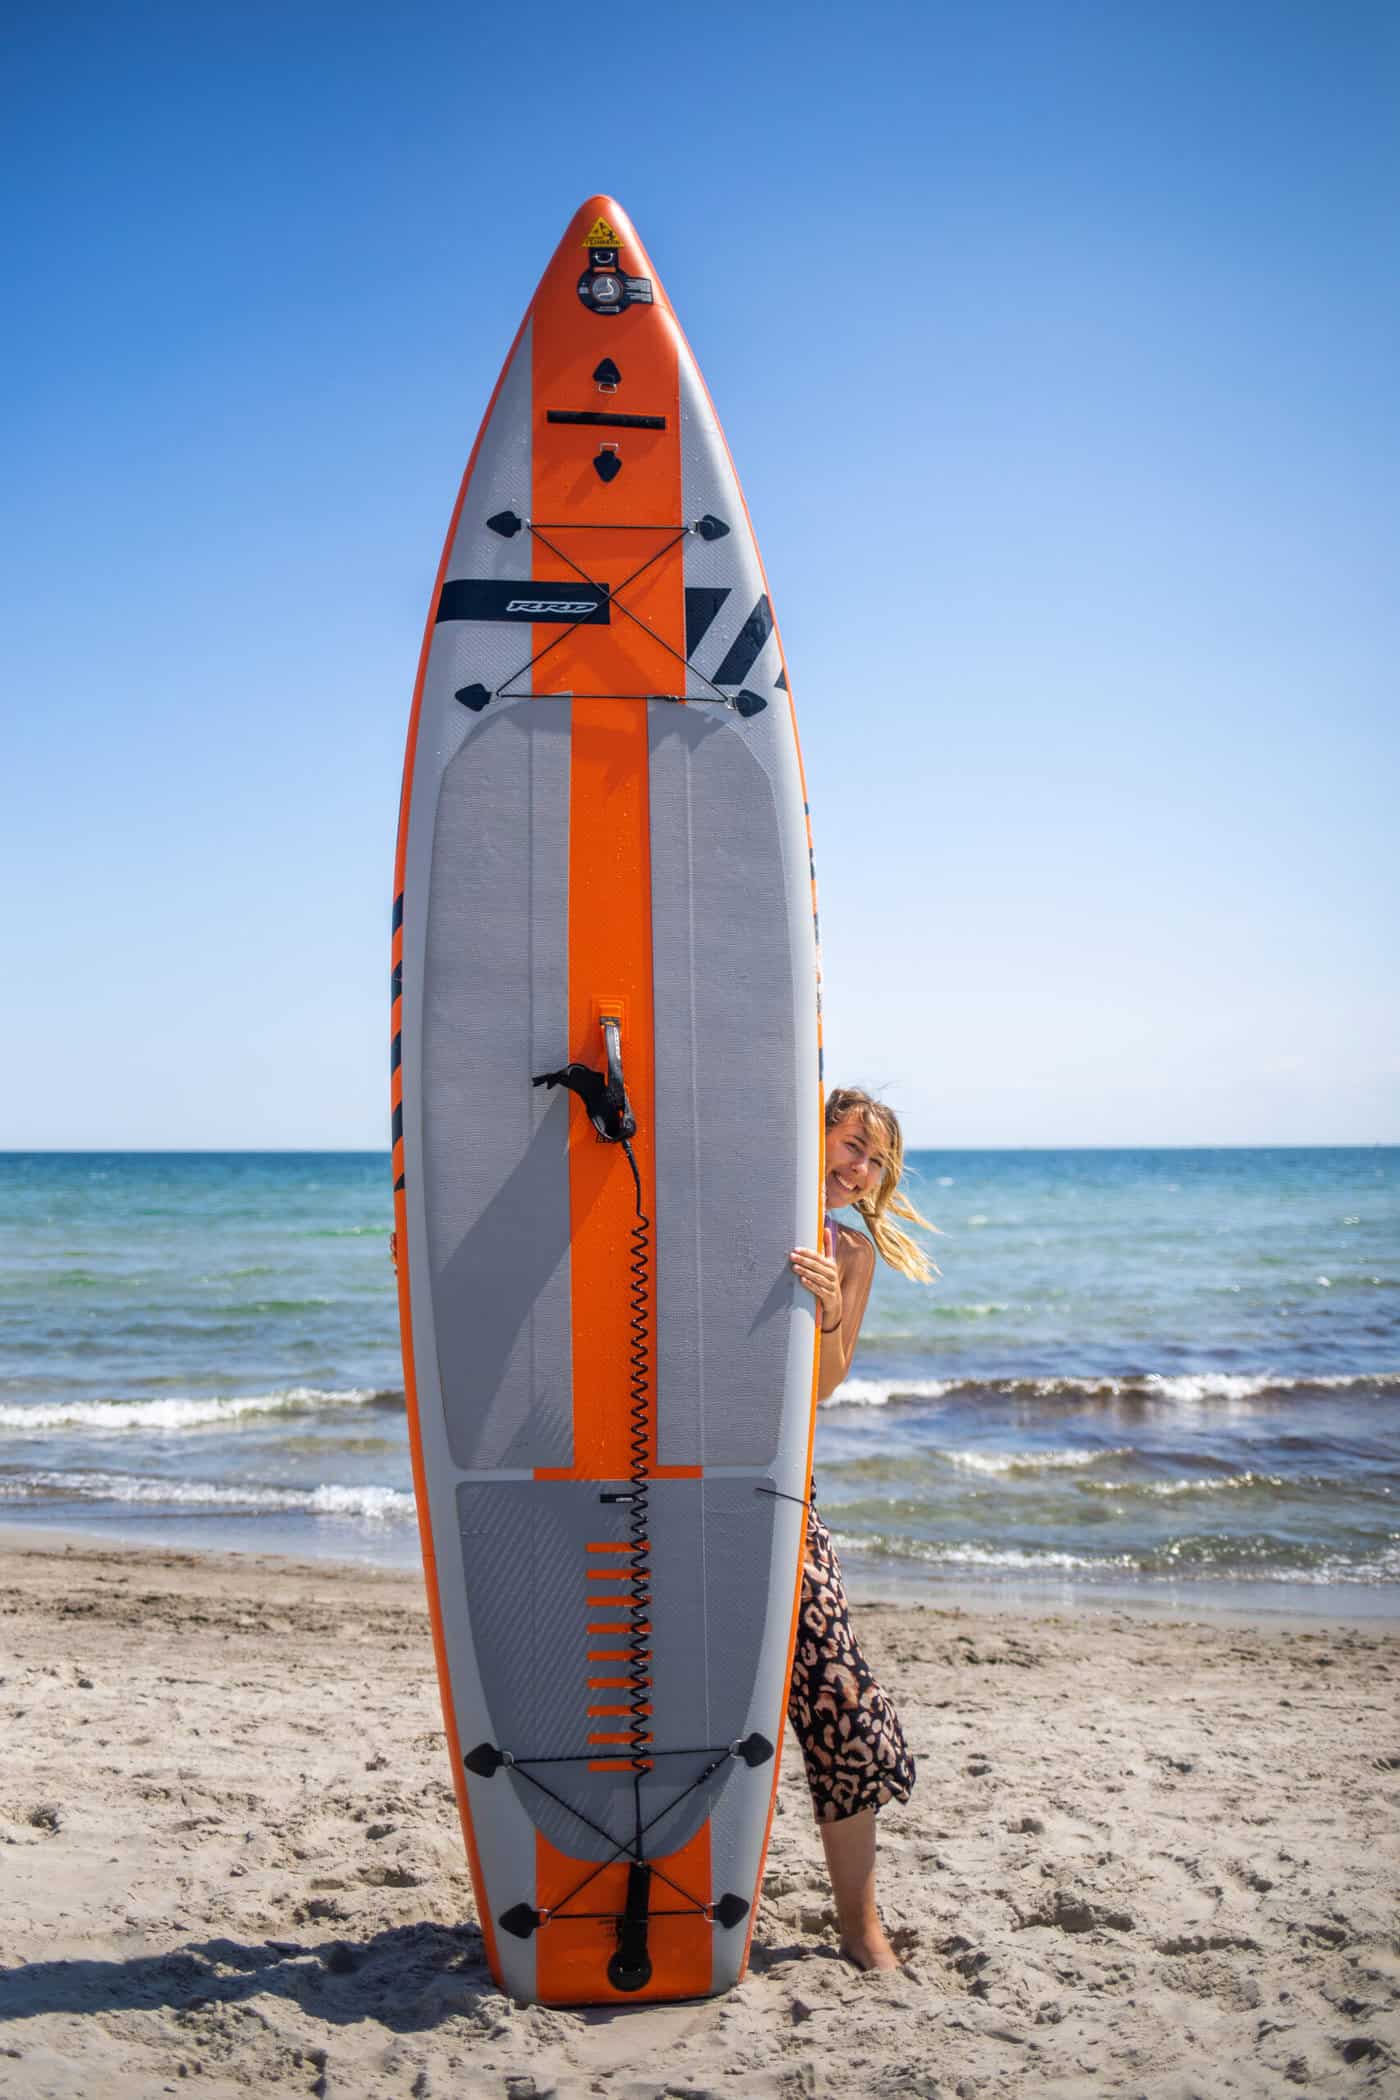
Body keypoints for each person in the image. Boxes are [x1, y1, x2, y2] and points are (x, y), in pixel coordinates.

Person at [786, 1085, 936, 1970]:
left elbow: (821, 1388)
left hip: (784, 1493)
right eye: (850, 1144)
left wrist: (831, 1304)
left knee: (842, 1699)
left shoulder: (851, 1248)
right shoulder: (725, 1205)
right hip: (669, 1480)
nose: (860, 1168)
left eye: (875, 1160)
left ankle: (858, 1927)